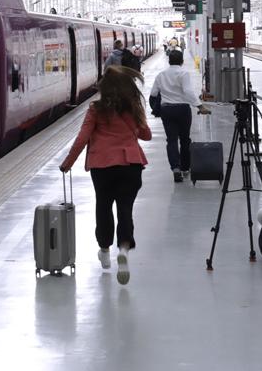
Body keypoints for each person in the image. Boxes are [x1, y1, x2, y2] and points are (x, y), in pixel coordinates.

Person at [60, 70, 152, 285]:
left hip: (102, 166)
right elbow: (146, 135)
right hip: (130, 164)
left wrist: (68, 163)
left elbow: (82, 138)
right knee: (125, 210)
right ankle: (123, 250)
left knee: (103, 206)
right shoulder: (132, 108)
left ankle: (104, 249)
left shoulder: (95, 109)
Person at [152, 49, 201, 182]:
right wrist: (199, 105)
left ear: (169, 61)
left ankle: (175, 168)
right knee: (185, 139)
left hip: (167, 110)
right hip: (183, 109)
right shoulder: (184, 73)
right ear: (182, 61)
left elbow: (153, 94)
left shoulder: (161, 75)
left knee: (171, 140)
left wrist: (156, 109)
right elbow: (188, 91)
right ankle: (185, 167)